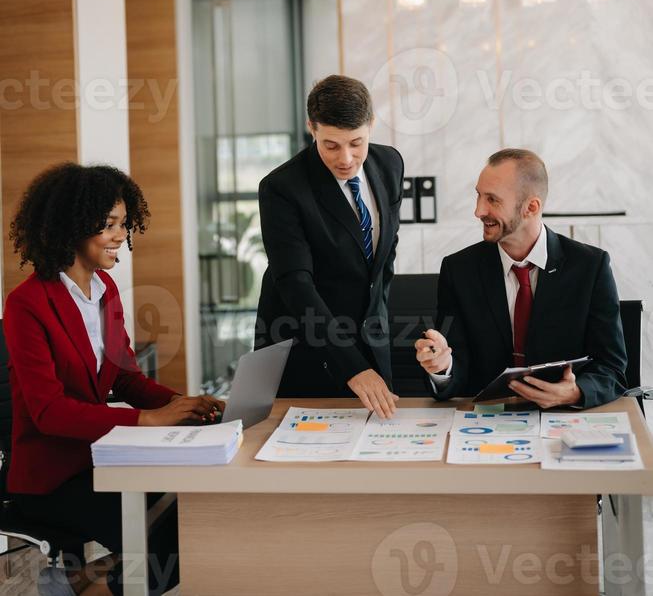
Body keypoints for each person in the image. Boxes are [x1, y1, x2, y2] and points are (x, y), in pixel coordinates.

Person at [3, 163, 223, 596]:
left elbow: (125, 378)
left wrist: (186, 403)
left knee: (188, 515)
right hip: (52, 476)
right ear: (72, 227)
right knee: (170, 542)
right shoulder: (27, 304)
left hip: (100, 459)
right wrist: (148, 421)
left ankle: (75, 580)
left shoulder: (105, 290)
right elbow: (48, 412)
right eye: (108, 225)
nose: (121, 234)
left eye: (123, 223)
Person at [415, 148, 627, 409]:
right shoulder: (459, 269)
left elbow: (612, 368)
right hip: (484, 424)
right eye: (479, 196)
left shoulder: (590, 267)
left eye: (492, 199)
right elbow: (457, 368)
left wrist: (576, 392)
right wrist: (442, 366)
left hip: (563, 419)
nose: (478, 211)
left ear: (531, 207)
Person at [255, 75, 404, 418]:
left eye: (357, 142)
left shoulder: (389, 164)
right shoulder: (282, 188)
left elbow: (385, 257)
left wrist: (377, 329)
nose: (346, 158)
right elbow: (295, 285)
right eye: (331, 145)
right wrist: (350, 364)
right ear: (312, 128)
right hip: (308, 349)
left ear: (371, 125)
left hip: (372, 345)